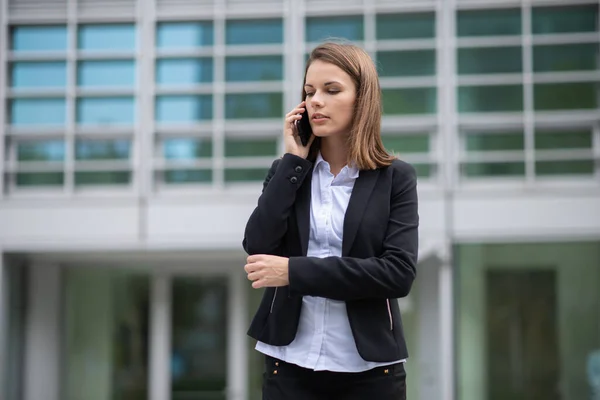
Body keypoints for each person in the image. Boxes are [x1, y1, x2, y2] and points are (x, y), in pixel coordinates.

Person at [242, 41, 419, 400]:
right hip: (288, 366)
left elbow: (397, 273)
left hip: (370, 373)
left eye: (331, 90)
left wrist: (294, 272)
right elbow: (258, 246)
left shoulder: (395, 179)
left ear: (362, 98)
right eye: (309, 92)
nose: (315, 101)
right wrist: (294, 161)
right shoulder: (286, 173)